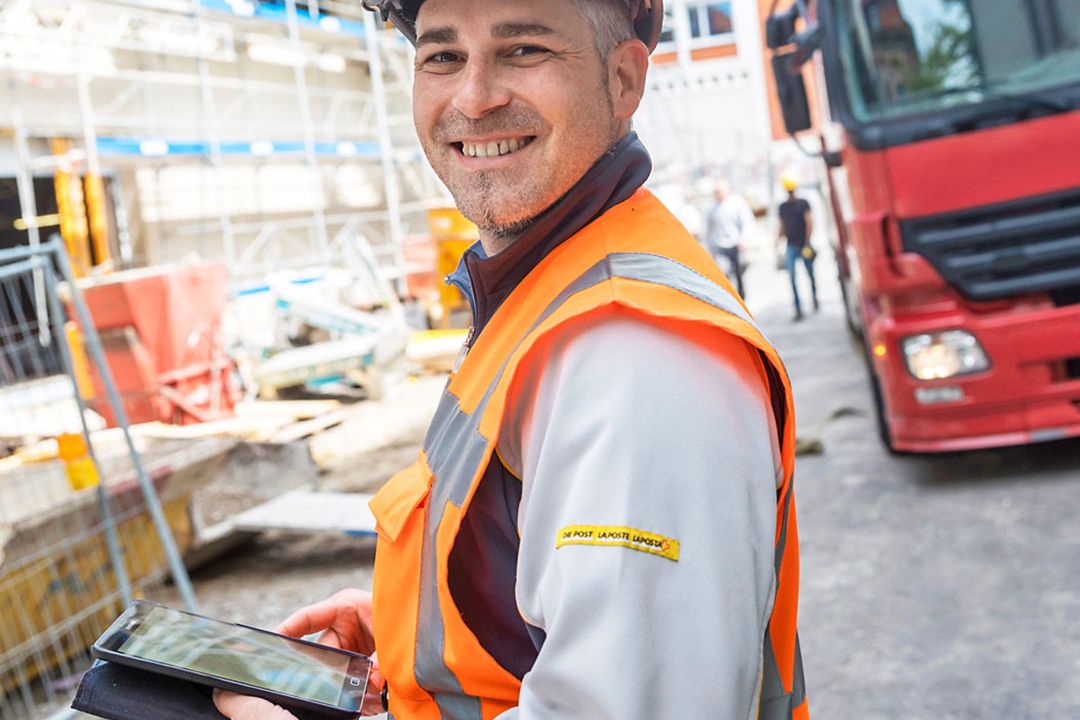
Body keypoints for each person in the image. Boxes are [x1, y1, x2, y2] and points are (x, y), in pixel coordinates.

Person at [215, 1, 807, 719]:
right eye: (442, 56)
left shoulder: (634, 356)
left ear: (622, 80)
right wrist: (417, 640)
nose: (473, 96)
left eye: (522, 49)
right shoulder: (548, 292)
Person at [776, 172, 819, 321]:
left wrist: (808, 241)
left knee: (810, 274)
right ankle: (798, 308)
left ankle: (814, 297)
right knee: (793, 279)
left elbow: (809, 223)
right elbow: (782, 226)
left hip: (803, 245)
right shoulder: (782, 207)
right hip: (791, 246)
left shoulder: (803, 203)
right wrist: (777, 241)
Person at [703, 180, 754, 298]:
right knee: (724, 275)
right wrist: (709, 250)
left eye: (719, 191)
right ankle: (730, 299)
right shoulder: (711, 209)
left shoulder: (736, 203)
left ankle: (742, 298)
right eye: (716, 192)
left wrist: (744, 239)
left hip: (736, 245)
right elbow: (709, 231)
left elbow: (747, 222)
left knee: (740, 274)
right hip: (720, 247)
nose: (718, 194)